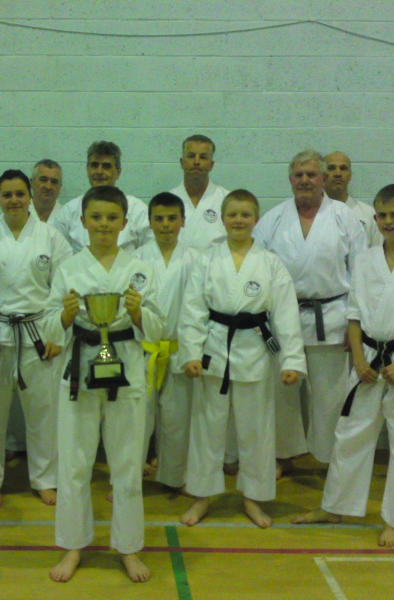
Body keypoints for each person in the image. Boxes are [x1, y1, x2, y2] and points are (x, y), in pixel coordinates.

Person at [293, 184, 394, 547]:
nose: (388, 221)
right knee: (350, 434)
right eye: (382, 215)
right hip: (367, 360)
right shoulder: (366, 259)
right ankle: (335, 507)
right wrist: (358, 359)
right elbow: (353, 314)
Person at [47, 185, 163, 583]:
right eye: (96, 217)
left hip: (126, 368)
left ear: (124, 223)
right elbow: (48, 329)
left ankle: (128, 547)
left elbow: (161, 327)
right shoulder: (69, 268)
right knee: (74, 462)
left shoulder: (140, 267)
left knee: (127, 463)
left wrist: (138, 313)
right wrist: (64, 317)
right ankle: (73, 546)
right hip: (80, 369)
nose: (103, 224)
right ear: (82, 221)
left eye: (112, 218)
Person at [178, 190, 306, 528]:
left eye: (245, 215)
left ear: (256, 219)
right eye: (232, 214)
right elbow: (192, 309)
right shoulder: (207, 259)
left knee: (256, 431)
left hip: (255, 351)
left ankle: (253, 497)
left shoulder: (270, 262)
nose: (238, 220)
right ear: (222, 219)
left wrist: (291, 360)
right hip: (214, 350)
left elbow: (286, 314)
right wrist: (190, 352)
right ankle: (202, 495)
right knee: (207, 428)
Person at [254, 149, 366, 475]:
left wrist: (355, 324)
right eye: (298, 175)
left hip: (332, 317)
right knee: (282, 393)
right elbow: (258, 270)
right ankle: (282, 455)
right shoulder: (273, 219)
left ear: (324, 179)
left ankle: (329, 458)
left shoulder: (345, 217)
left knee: (330, 396)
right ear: (290, 180)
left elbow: (361, 273)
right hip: (281, 318)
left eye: (311, 175)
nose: (305, 180)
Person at [0, 169, 71, 508]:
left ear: (29, 196)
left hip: (39, 336)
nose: (13, 200)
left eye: (19, 194)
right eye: (6, 195)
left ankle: (45, 479)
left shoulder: (52, 238)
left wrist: (59, 335)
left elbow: (64, 291)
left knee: (44, 413)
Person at [134, 192, 199, 490]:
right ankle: (128, 479)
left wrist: (194, 351)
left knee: (177, 419)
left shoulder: (196, 259)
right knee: (137, 419)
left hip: (178, 349)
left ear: (183, 221)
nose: (165, 225)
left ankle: (174, 476)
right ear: (149, 222)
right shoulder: (136, 259)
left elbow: (199, 310)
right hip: (142, 349)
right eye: (158, 219)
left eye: (172, 218)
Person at [50, 141, 151, 253]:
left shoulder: (137, 210)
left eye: (106, 166)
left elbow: (150, 252)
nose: (99, 171)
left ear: (118, 172)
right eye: (94, 165)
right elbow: (57, 253)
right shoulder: (69, 210)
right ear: (87, 170)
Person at [169, 134, 231, 250]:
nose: (196, 161)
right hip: (176, 261)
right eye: (191, 156)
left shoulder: (227, 200)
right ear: (182, 162)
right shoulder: (167, 200)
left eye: (203, 157)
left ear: (211, 165)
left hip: (217, 261)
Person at [324, 151, 381, 247]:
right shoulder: (312, 214)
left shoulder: (368, 214)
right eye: (331, 168)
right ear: (322, 175)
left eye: (343, 168)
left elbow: (378, 251)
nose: (338, 173)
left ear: (350, 175)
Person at [30, 159, 64, 223]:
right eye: (43, 180)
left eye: (54, 182)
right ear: (31, 183)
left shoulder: (67, 218)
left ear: (60, 187)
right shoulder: (19, 214)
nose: (48, 187)